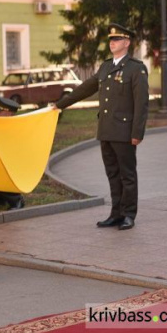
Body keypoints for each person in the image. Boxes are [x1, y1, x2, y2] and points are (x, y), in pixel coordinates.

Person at [55, 23, 149, 231]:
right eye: (110, 40)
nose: (112, 43)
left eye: (116, 40)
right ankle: (116, 214)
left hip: (124, 132)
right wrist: (60, 104)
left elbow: (141, 104)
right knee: (112, 174)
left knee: (127, 175)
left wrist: (137, 133)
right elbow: (86, 88)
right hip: (106, 130)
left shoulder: (136, 68)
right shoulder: (106, 66)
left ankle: (128, 215)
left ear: (127, 43)